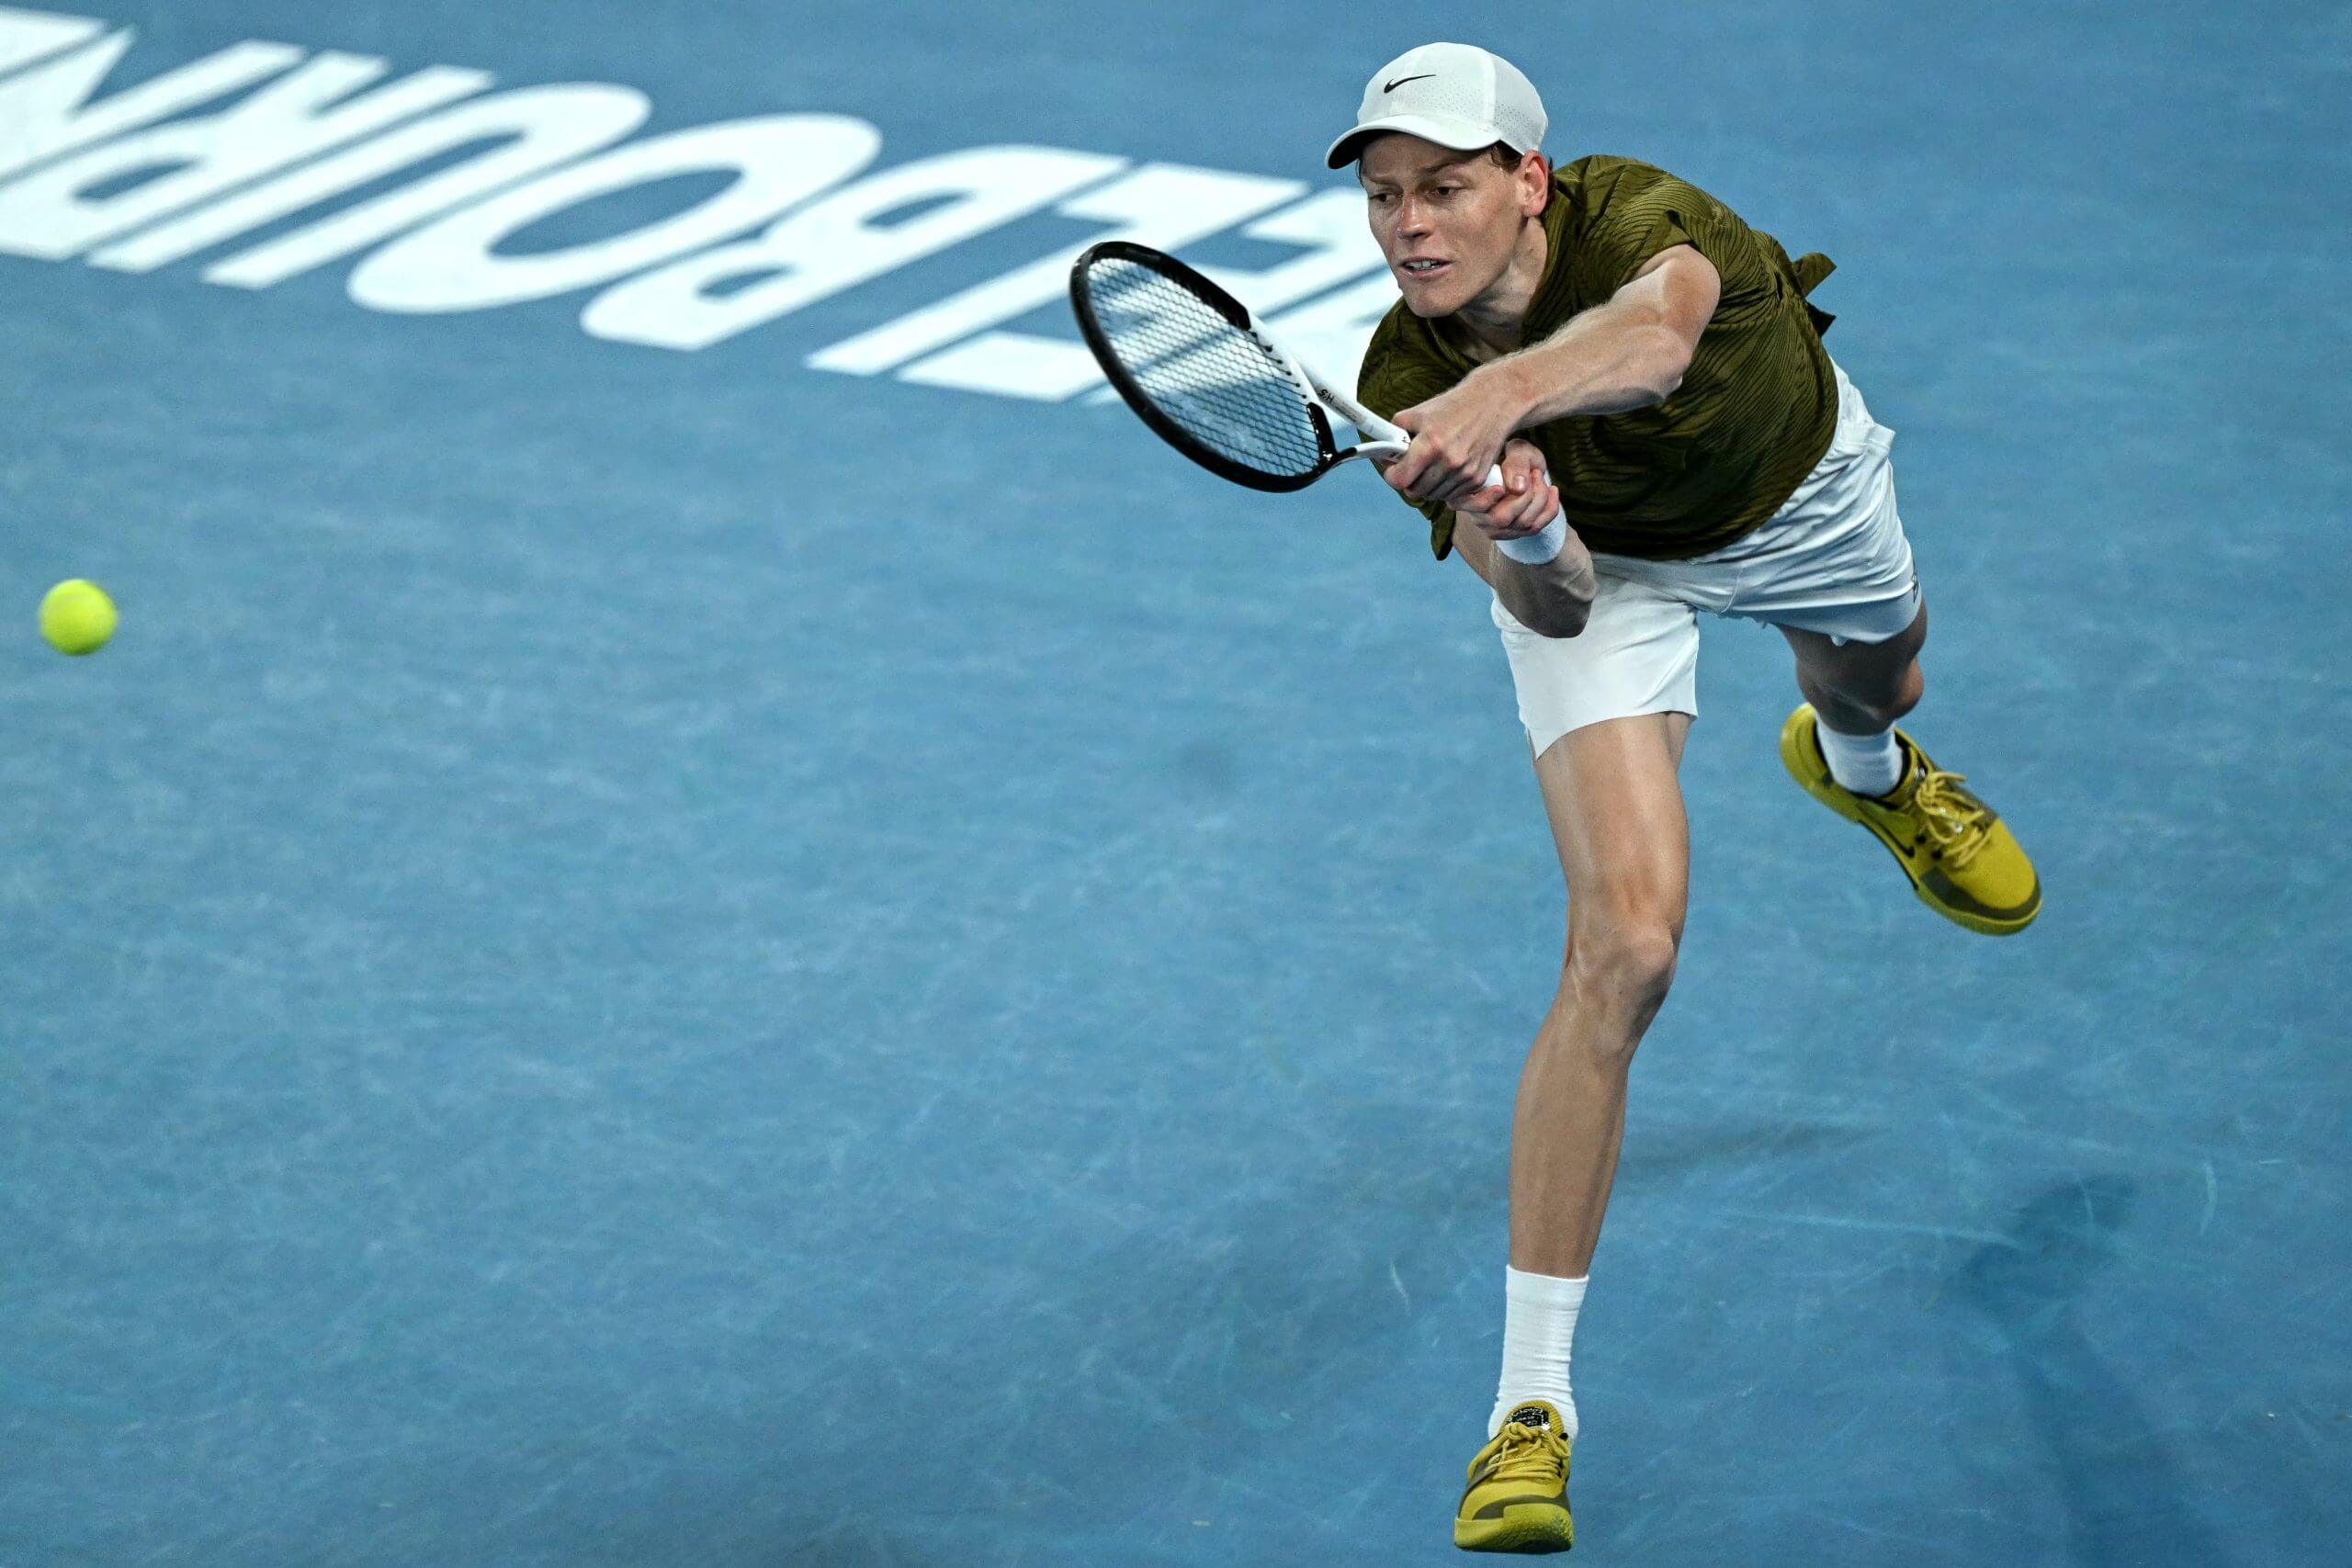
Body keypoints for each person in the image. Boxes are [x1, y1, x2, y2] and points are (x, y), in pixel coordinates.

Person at [1327, 40, 2041, 1554]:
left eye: (1443, 189)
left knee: (1878, 685)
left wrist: (1508, 400)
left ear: (1528, 185)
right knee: (1627, 952)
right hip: (1622, 571)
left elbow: (1654, 344)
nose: (1409, 227)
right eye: (1386, 198)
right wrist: (1520, 525)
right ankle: (1531, 1411)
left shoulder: (1647, 215)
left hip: (1801, 497)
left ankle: (1863, 771)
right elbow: (1565, 616)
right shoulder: (1405, 381)